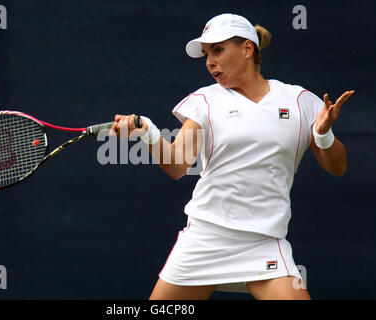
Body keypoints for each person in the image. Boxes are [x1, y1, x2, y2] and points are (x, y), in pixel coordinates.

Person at [111, 13, 354, 300]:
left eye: (218, 50)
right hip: (205, 239)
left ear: (248, 49)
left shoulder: (299, 101)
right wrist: (148, 131)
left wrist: (324, 134)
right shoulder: (205, 101)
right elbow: (178, 166)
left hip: (264, 242)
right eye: (206, 54)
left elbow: (338, 167)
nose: (210, 61)